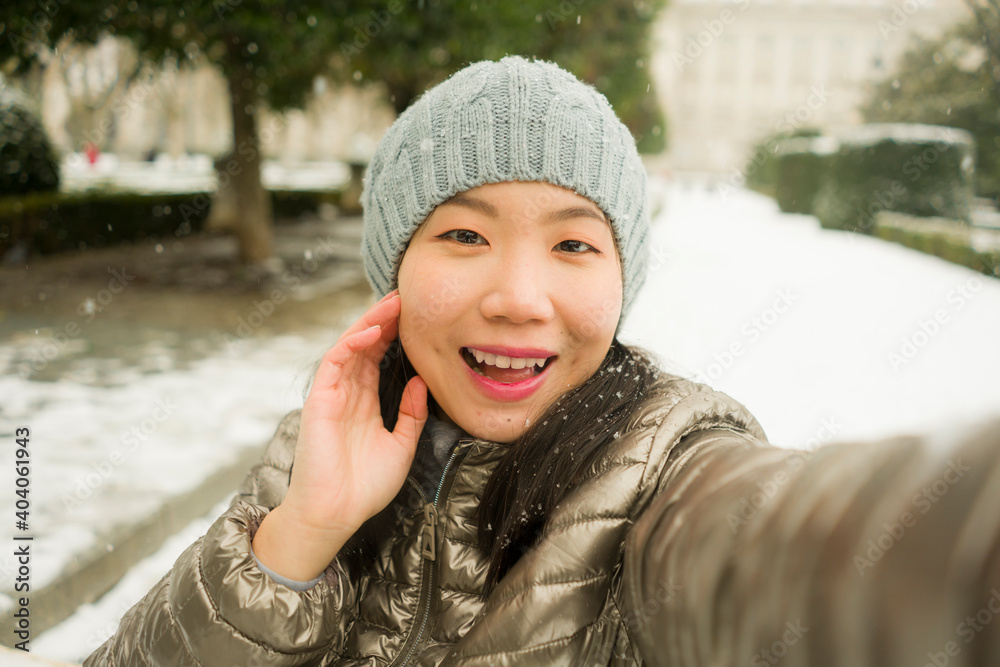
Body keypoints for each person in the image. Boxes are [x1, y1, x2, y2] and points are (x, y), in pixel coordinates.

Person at [85, 57, 1000, 667]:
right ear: (393, 268)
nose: (521, 296)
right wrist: (300, 539)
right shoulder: (316, 450)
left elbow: (796, 552)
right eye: (465, 233)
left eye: (573, 246)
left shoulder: (667, 465)